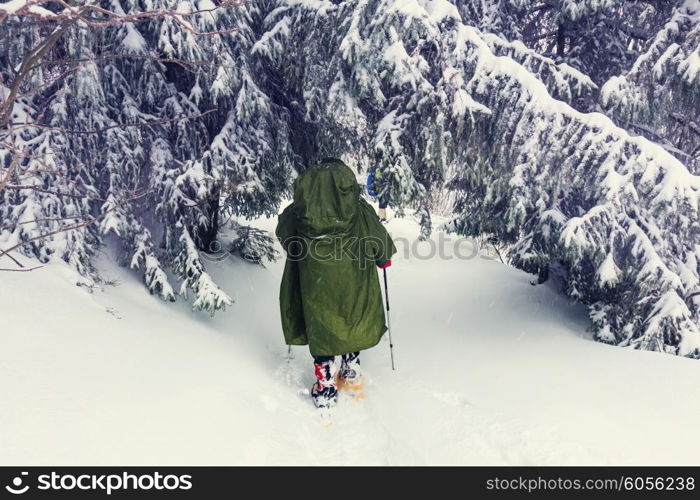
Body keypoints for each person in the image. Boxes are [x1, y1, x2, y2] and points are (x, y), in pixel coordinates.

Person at [275, 157, 397, 409]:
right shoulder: (360, 209)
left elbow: (285, 235)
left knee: (321, 324)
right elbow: (379, 239)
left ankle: (325, 385)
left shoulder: (298, 211)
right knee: (352, 318)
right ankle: (350, 367)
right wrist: (383, 258)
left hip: (315, 283)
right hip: (353, 279)